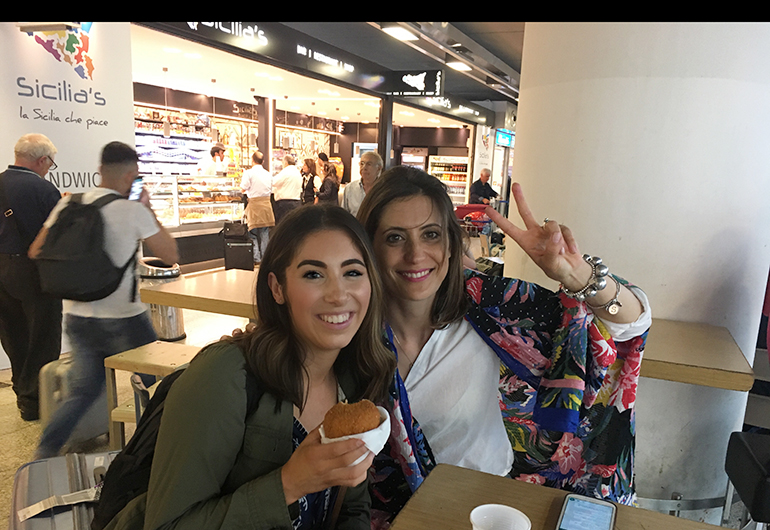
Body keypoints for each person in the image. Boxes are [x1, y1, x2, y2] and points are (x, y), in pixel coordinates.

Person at [356, 166, 652, 525]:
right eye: (394, 238)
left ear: (450, 244)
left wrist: (577, 276)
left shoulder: (492, 309)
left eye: (431, 234)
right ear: (368, 248)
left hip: (496, 506)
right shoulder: (350, 333)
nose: (416, 254)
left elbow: (629, 326)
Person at [101, 205, 396, 530]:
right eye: (314, 274)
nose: (339, 295)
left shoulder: (352, 380)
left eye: (353, 272)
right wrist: (288, 484)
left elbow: (352, 507)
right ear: (277, 288)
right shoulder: (224, 377)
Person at [30, 141, 179, 459]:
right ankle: (162, 442)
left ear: (100, 171)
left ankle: (45, 452)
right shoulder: (133, 210)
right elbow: (170, 255)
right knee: (158, 378)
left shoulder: (70, 203)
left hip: (79, 315)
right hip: (125, 316)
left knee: (83, 391)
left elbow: (36, 250)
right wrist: (148, 208)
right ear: (131, 175)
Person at [0, 133, 62, 421]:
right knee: (43, 335)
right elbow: (58, 235)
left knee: (12, 334)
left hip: (2, 269)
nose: (49, 167)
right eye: (50, 162)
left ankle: (22, 396)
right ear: (41, 160)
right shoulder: (43, 189)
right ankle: (38, 399)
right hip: (33, 271)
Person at [240, 151, 274, 263]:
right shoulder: (268, 174)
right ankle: (266, 258)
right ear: (263, 161)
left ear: (252, 160)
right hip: (266, 205)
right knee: (264, 233)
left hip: (254, 205)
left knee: (252, 233)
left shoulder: (248, 173)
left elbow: (243, 188)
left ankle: (256, 258)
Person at [342, 151, 383, 217]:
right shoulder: (349, 188)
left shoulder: (384, 189)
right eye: (362, 163)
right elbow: (344, 215)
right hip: (354, 227)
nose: (364, 167)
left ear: (378, 168)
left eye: (369, 164)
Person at [272, 154, 302, 224]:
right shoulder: (297, 172)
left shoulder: (285, 171)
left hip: (285, 203)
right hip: (296, 202)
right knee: (294, 224)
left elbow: (274, 182)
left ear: (285, 163)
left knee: (283, 225)